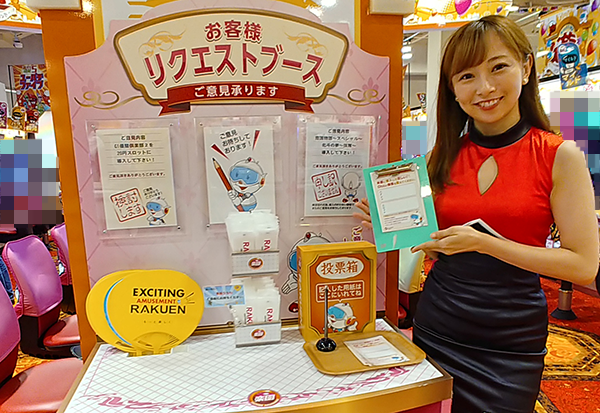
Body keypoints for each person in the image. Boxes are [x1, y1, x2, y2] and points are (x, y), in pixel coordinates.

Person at [355, 15, 598, 413]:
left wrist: (486, 245)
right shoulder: (438, 158)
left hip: (511, 339)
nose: (484, 88)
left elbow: (584, 266)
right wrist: (392, 224)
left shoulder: (559, 156)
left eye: (498, 67)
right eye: (467, 76)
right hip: (441, 324)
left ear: (526, 67)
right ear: (452, 88)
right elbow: (434, 247)